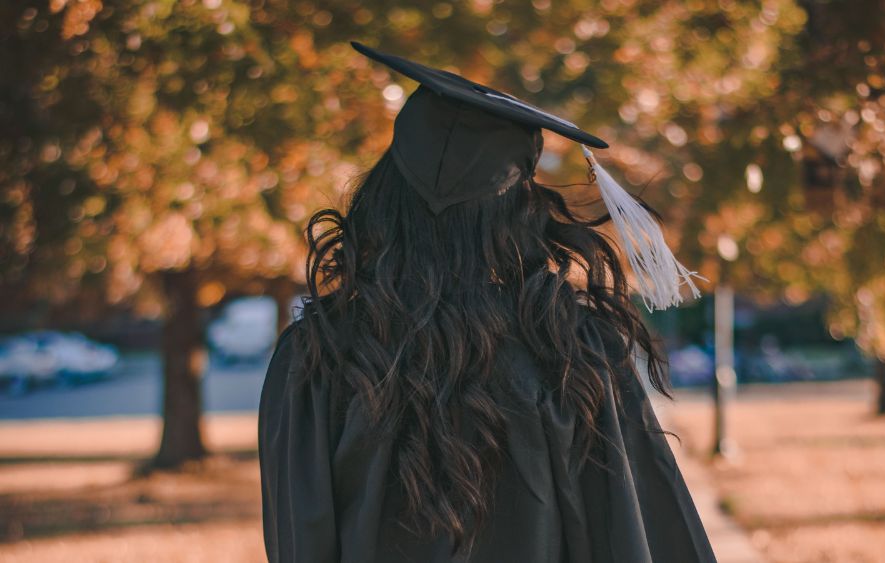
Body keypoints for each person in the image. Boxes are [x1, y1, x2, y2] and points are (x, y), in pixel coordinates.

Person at [258, 41, 717, 563]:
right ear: (522, 212)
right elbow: (633, 533)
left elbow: (300, 535)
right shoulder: (575, 350)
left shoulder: (319, 356)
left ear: (382, 199)